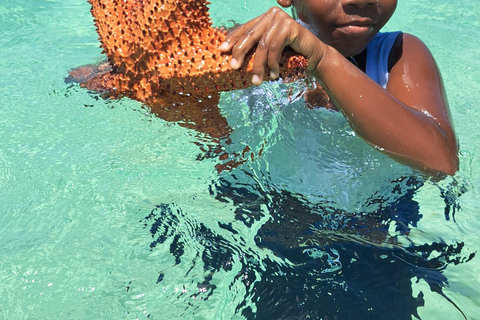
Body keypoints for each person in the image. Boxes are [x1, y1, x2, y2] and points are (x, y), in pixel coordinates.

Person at [219, 0, 458, 176]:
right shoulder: (240, 52)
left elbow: (441, 162)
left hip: (375, 227)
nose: (363, 1)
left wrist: (322, 60)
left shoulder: (397, 56)